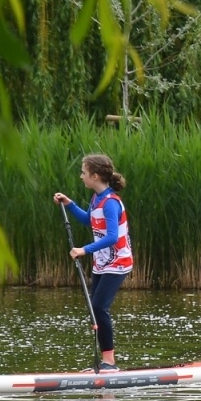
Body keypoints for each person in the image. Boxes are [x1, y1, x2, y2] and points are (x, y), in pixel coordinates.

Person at [53, 154, 132, 372]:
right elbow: (89, 220)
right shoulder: (97, 199)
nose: (81, 176)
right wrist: (69, 204)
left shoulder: (111, 203)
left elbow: (112, 237)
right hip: (102, 262)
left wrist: (84, 250)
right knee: (94, 309)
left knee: (99, 307)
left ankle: (110, 363)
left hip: (118, 262)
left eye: (83, 173)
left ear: (95, 176)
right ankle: (104, 362)